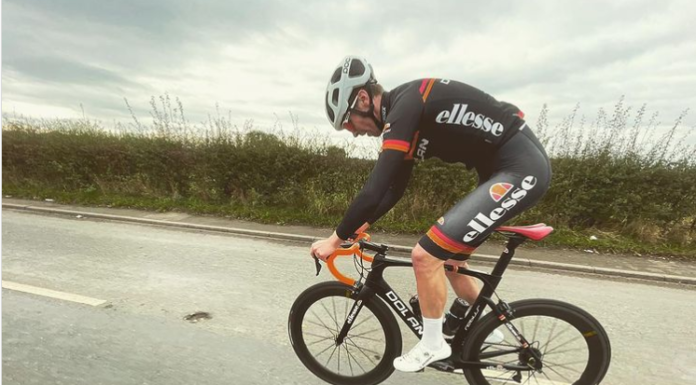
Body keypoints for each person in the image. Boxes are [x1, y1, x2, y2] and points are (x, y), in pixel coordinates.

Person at [310, 56, 552, 372]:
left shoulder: (405, 106)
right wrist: (360, 226)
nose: (352, 131)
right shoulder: (404, 117)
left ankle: (433, 343)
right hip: (503, 170)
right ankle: (486, 334)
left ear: (364, 98)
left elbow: (374, 188)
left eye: (349, 121)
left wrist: (335, 239)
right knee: (452, 263)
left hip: (520, 169)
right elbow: (394, 188)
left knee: (424, 256)